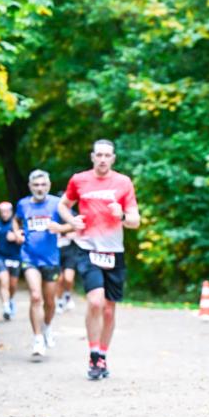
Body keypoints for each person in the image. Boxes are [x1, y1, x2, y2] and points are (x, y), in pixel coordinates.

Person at [58, 139, 140, 380]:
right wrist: (71, 220)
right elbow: (64, 205)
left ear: (113, 158)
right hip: (87, 248)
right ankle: (94, 355)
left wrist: (122, 215)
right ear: (92, 157)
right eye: (99, 155)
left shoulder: (123, 182)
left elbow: (135, 220)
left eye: (107, 155)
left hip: (114, 251)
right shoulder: (79, 180)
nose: (103, 159)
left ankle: (103, 354)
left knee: (108, 309)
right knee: (95, 301)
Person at [15, 170, 73, 359]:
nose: (39, 188)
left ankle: (47, 327)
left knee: (50, 302)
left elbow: (74, 223)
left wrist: (60, 228)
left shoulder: (57, 204)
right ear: (30, 186)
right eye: (36, 185)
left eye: (43, 185)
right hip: (29, 256)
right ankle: (37, 338)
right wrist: (17, 233)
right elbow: (16, 221)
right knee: (35, 296)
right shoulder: (23, 204)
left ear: (48, 186)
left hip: (51, 259)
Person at [0, 201, 23, 320]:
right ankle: (6, 308)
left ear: (11, 211)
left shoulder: (16, 223)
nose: (4, 214)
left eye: (6, 211)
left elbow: (24, 238)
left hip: (15, 257)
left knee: (13, 285)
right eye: (2, 212)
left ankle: (10, 300)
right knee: (3, 281)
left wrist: (16, 237)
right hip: (0, 257)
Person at [55, 196, 80, 314]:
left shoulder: (74, 215)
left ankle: (67, 295)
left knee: (68, 279)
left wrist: (74, 235)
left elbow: (82, 231)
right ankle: (59, 302)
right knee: (59, 279)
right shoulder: (53, 215)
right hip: (56, 251)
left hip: (70, 251)